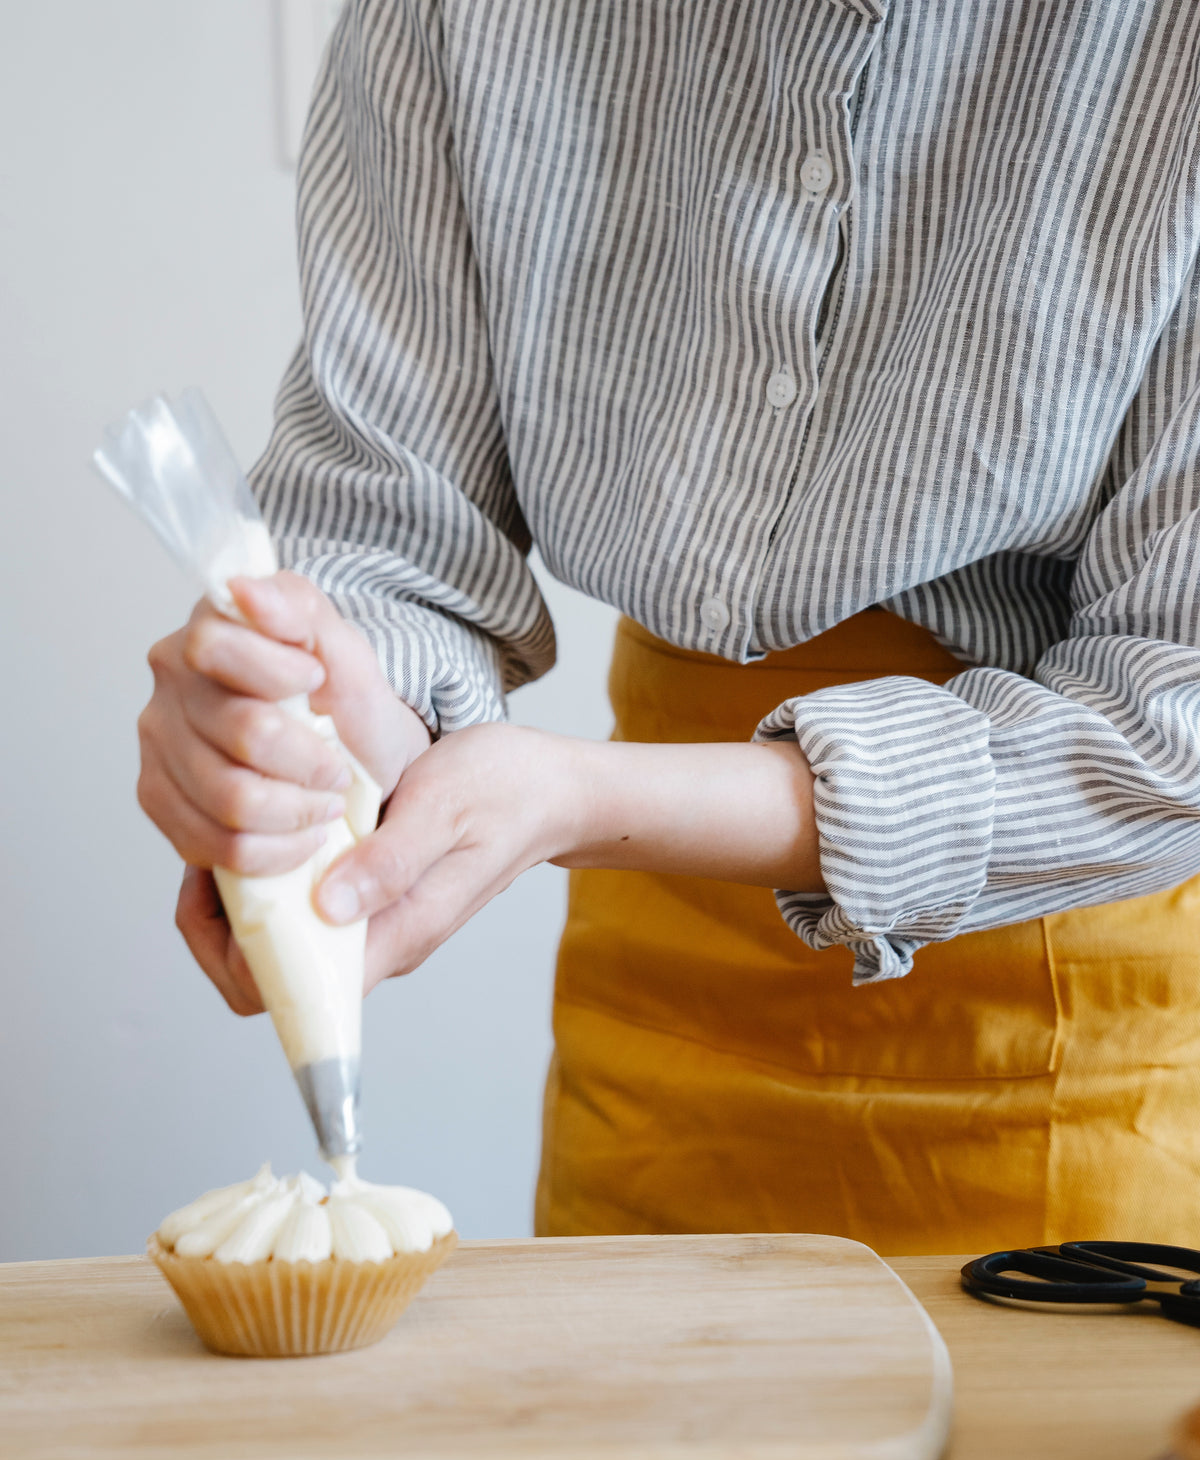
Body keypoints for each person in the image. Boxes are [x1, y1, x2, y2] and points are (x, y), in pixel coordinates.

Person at [137, 0, 1200, 1254]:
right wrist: (327, 710)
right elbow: (388, 513)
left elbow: (1169, 715)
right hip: (648, 1028)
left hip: (1073, 1039)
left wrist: (585, 798)